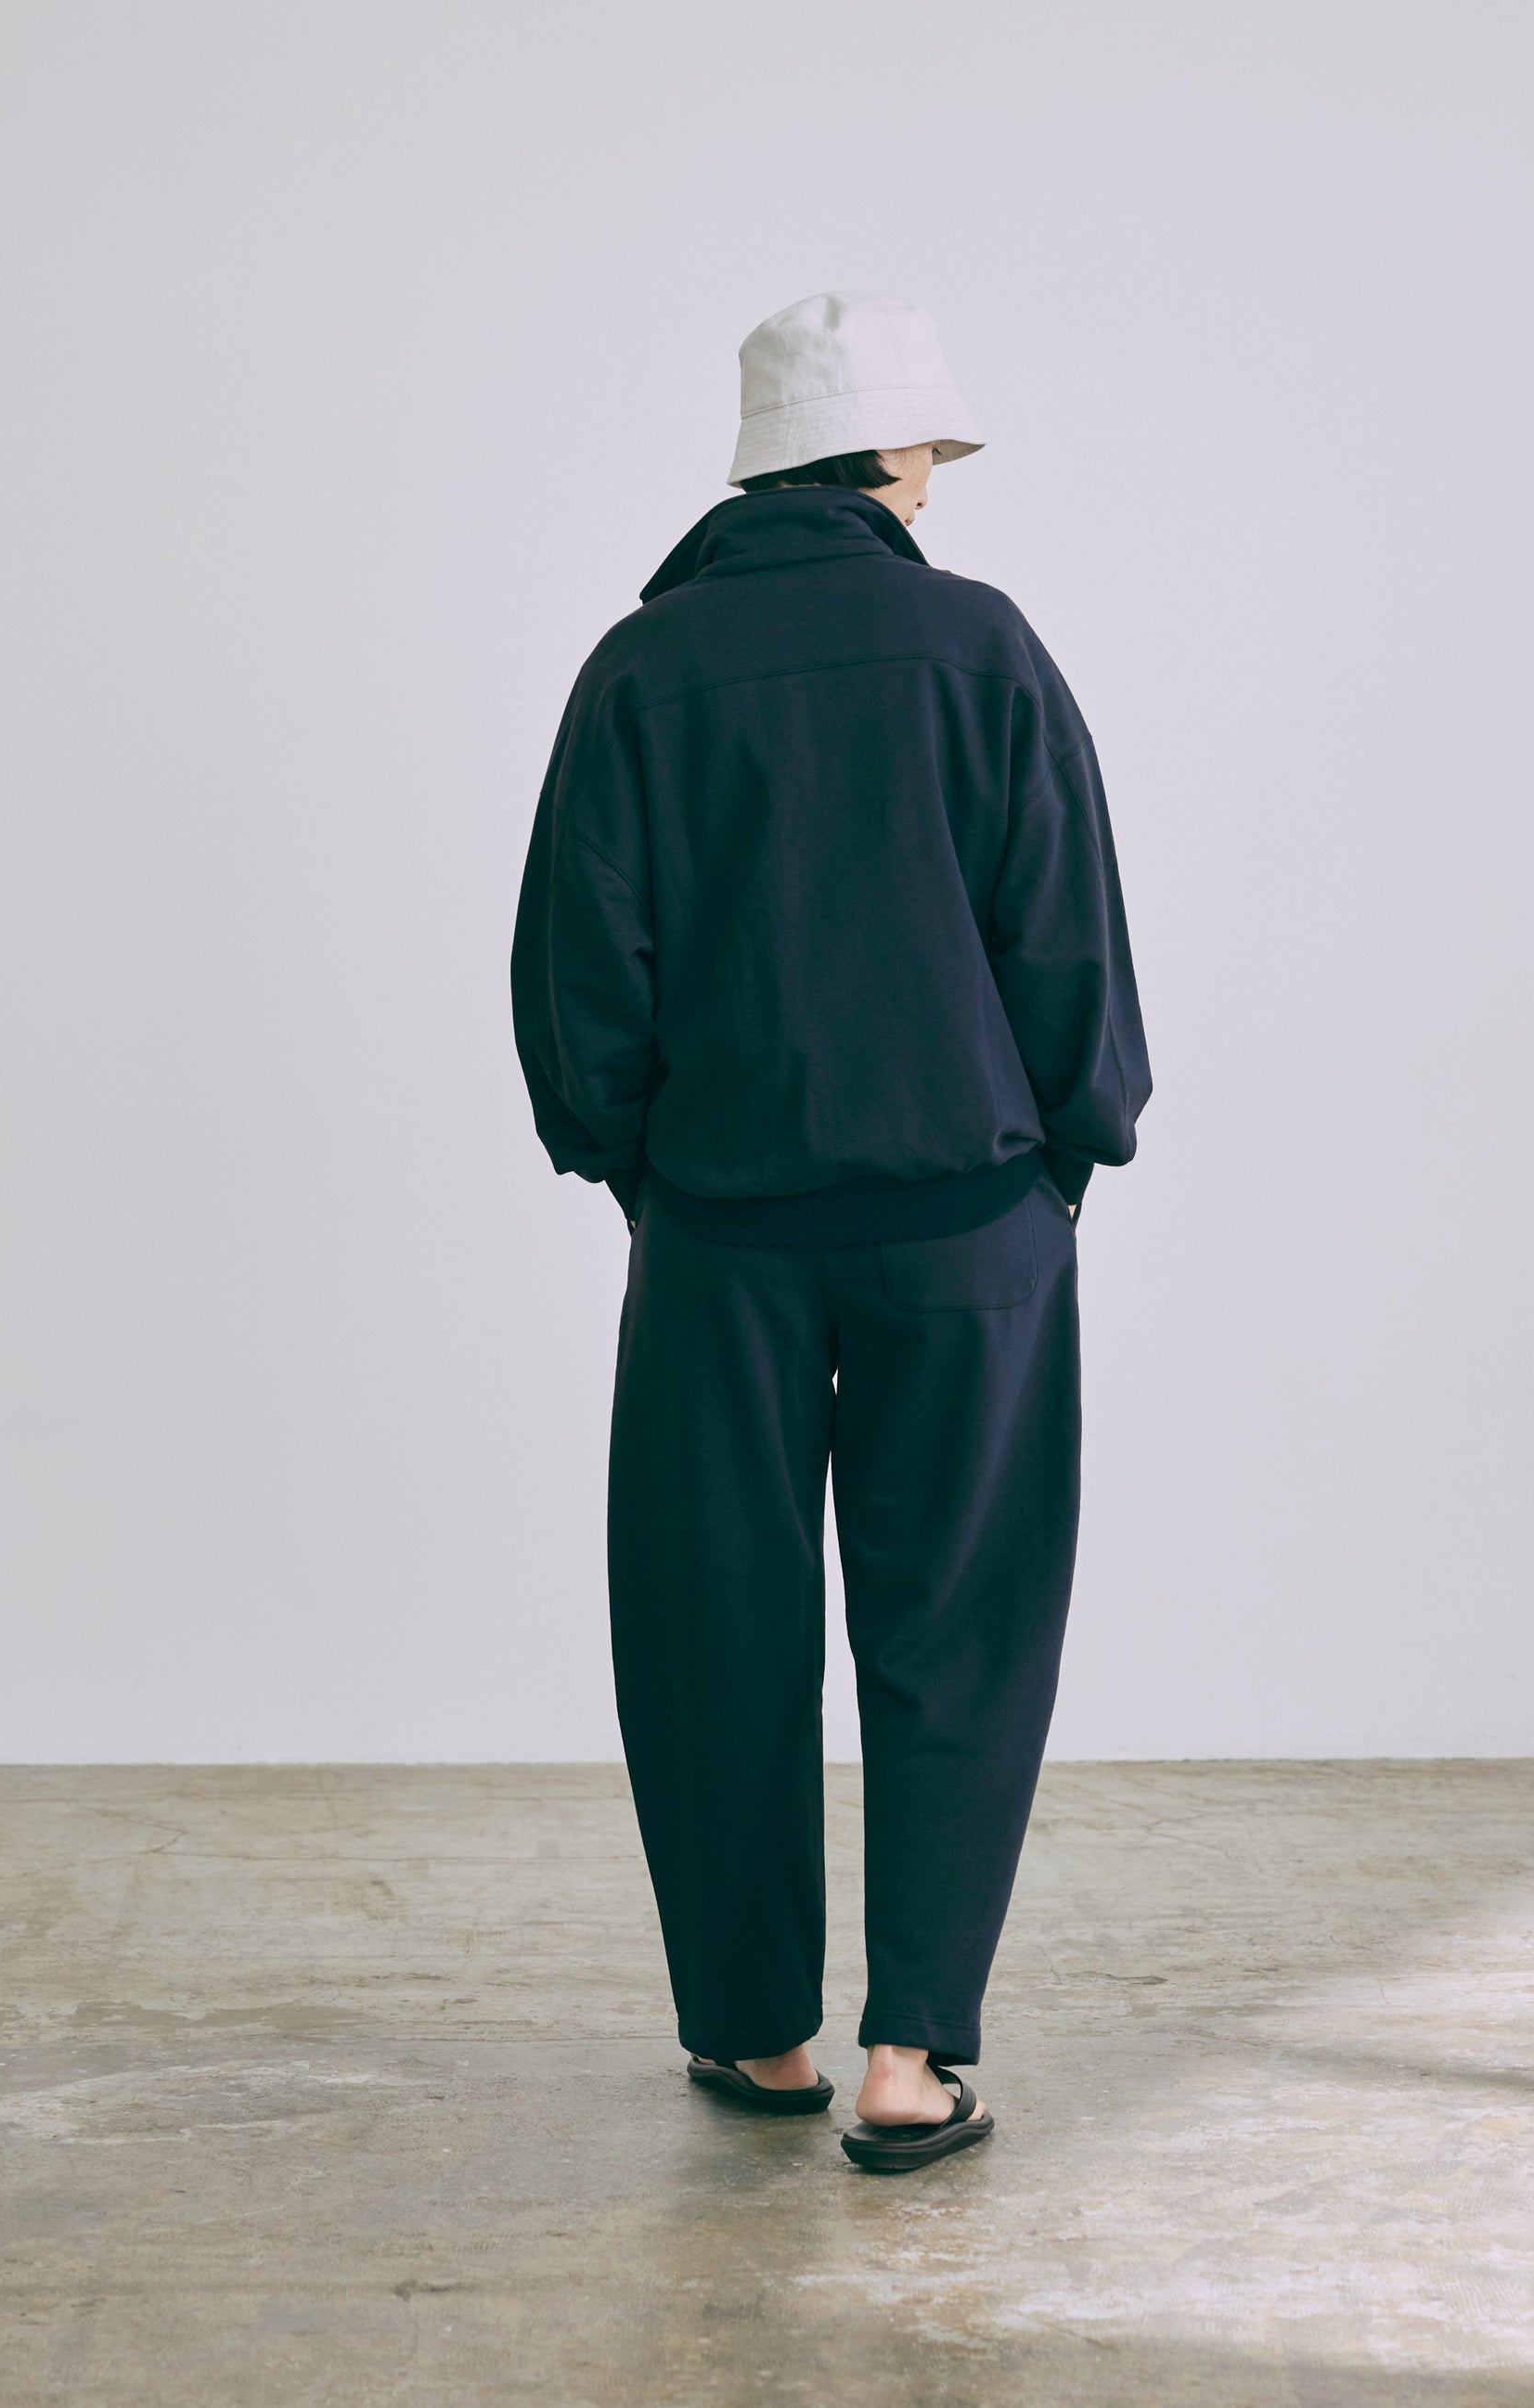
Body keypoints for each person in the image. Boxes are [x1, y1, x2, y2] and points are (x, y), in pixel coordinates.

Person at [511, 291, 1149, 2172]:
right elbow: (1065, 932)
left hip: (724, 1238)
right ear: (881, 455)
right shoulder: (980, 645)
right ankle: (911, 2056)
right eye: (928, 445)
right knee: (960, 1622)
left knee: (711, 1620)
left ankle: (758, 2030)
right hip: (970, 1227)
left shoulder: (642, 668)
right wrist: (1065, 1153)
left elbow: (578, 971)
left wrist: (642, 1170)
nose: (937, 476)